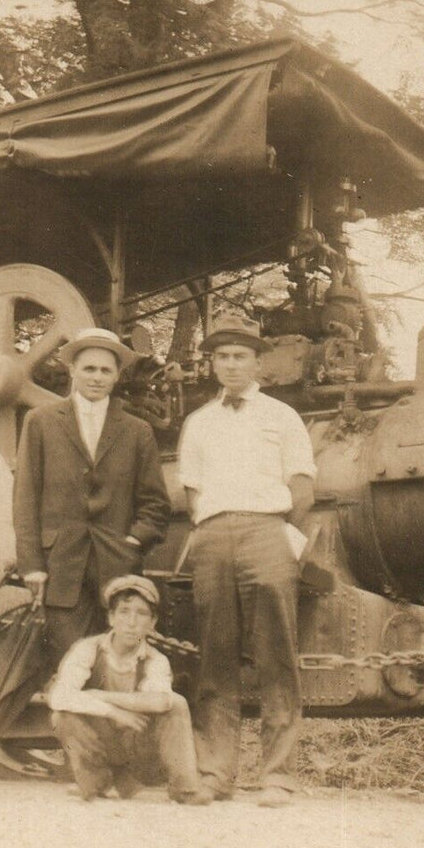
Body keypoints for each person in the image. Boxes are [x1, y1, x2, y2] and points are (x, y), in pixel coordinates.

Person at [177, 314, 316, 808]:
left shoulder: (282, 416)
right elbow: (193, 491)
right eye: (222, 356)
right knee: (214, 659)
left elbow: (301, 484)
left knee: (276, 654)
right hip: (213, 536)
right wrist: (213, 530)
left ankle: (278, 775)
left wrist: (280, 534)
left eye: (240, 356)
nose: (231, 364)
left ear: (258, 362)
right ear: (212, 364)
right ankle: (216, 773)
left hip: (267, 532)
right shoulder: (198, 422)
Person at [13, 327, 171, 666]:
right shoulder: (40, 422)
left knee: (117, 663)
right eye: (89, 368)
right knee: (69, 662)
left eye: (105, 370)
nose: (97, 377)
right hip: (60, 565)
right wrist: (32, 566)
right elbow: (25, 497)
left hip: (118, 566)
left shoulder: (136, 431)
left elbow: (156, 503)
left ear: (117, 376)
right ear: (72, 370)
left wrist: (132, 542)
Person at [49, 575, 209, 805]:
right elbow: (59, 696)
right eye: (124, 612)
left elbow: (162, 702)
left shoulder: (155, 659)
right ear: (111, 617)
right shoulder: (88, 649)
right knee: (62, 716)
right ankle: (98, 783)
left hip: (138, 749)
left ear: (152, 623)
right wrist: (112, 712)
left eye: (141, 614)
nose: (132, 622)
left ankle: (184, 788)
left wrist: (102, 696)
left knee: (177, 703)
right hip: (102, 742)